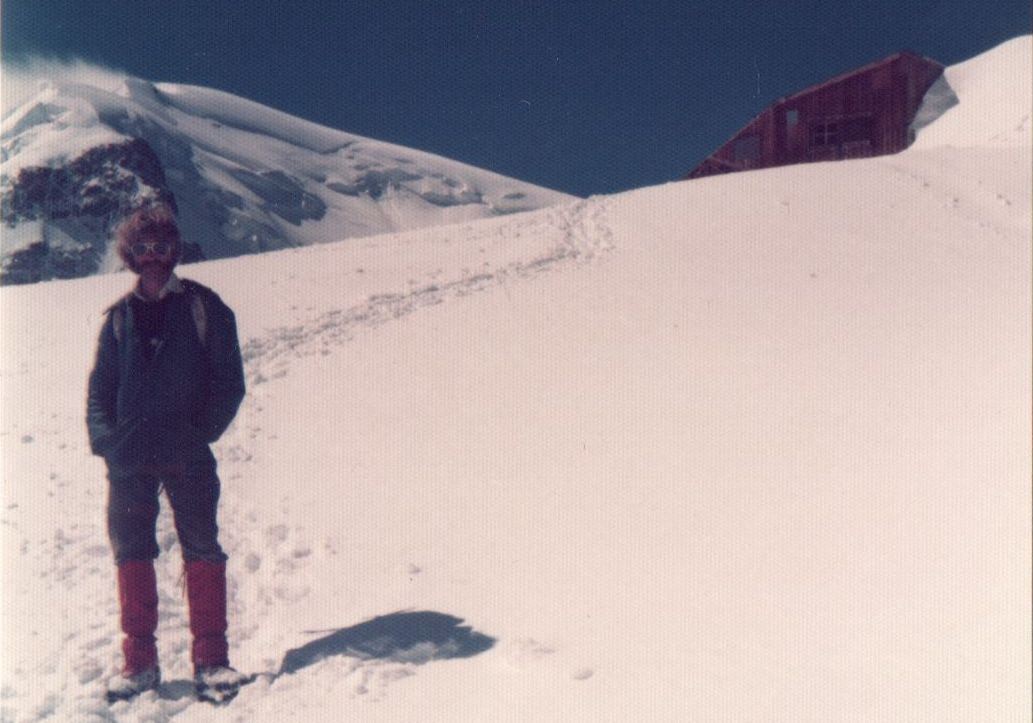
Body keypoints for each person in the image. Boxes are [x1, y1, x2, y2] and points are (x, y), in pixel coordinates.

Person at [86, 205, 248, 703]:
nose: (153, 257)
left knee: (201, 547)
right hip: (130, 458)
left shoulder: (204, 307)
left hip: (186, 453)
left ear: (174, 251)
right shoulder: (118, 318)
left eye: (161, 247)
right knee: (131, 552)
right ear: (129, 255)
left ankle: (212, 662)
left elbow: (229, 383)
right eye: (142, 249)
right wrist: (108, 444)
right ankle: (139, 665)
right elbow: (100, 391)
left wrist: (199, 434)